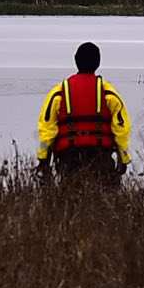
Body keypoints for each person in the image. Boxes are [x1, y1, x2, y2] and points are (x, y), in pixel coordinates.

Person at [36, 41, 133, 186]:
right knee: (107, 201)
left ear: (76, 61)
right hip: (101, 157)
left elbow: (46, 129)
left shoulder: (59, 92)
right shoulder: (109, 92)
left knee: (69, 201)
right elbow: (122, 129)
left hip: (68, 159)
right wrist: (123, 159)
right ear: (98, 62)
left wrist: (43, 160)